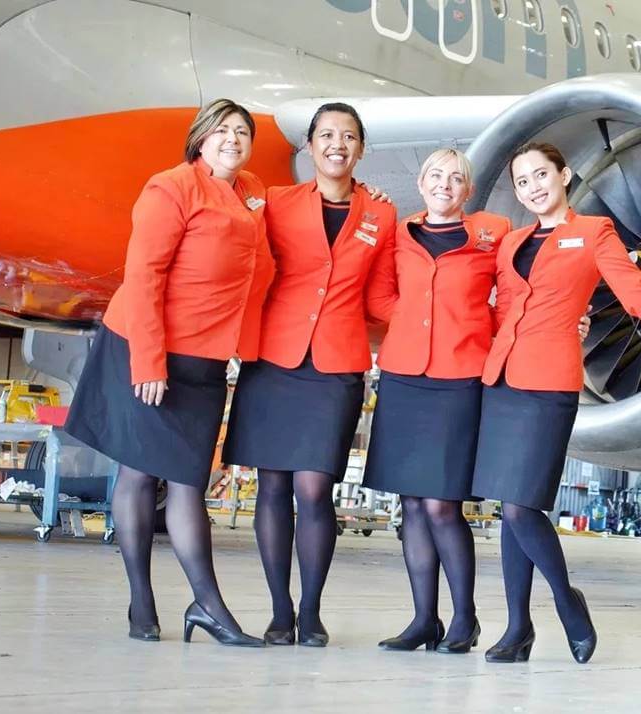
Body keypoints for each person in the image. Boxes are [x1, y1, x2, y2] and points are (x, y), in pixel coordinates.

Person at [472, 142, 641, 664]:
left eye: (541, 175)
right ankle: (516, 630)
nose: (532, 187)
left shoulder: (594, 233)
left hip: (549, 385)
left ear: (564, 175)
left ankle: (567, 602)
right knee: (510, 510)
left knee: (520, 504)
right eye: (522, 181)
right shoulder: (511, 243)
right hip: (503, 383)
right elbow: (505, 311)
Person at [363, 148, 590, 654]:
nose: (445, 184)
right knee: (412, 506)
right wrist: (420, 319)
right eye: (436, 176)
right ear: (420, 183)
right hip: (403, 376)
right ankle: (424, 619)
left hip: (462, 375)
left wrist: (543, 321)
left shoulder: (495, 234)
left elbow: (518, 294)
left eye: (457, 179)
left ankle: (464, 621)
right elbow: (378, 298)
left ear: (469, 191)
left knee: (442, 506)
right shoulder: (399, 232)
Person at [65, 99, 273, 647]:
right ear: (200, 139)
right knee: (138, 474)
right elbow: (144, 277)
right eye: (221, 130)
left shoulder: (251, 190)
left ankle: (198, 605)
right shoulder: (171, 188)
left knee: (187, 481)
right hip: (147, 347)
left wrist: (369, 196)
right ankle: (151, 603)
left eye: (241, 131)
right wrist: (149, 361)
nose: (232, 139)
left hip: (204, 359)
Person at [222, 103, 397, 648]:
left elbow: (383, 295)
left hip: (336, 364)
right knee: (272, 485)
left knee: (315, 488)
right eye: (326, 135)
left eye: (348, 136)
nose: (337, 144)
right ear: (310, 146)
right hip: (274, 358)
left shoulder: (382, 215)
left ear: (362, 149)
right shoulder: (276, 202)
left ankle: (312, 610)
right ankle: (279, 612)